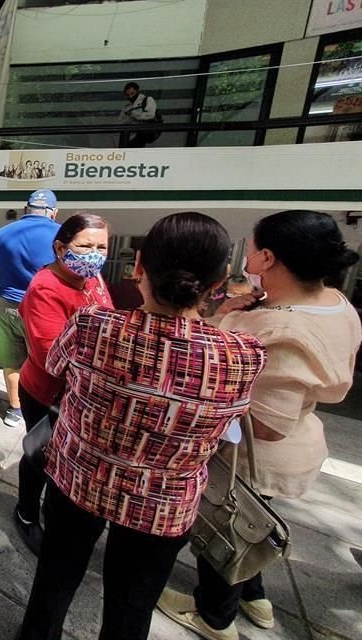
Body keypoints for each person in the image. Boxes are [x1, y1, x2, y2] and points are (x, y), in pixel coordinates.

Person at [18, 212, 267, 640]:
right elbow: (227, 422)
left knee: (53, 586)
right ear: (220, 279)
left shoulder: (93, 326)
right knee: (130, 609)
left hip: (79, 479)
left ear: (136, 267)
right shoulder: (242, 355)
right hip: (162, 505)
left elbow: (55, 365)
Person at [157, 210, 362, 640]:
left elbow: (269, 424)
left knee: (226, 533)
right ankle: (257, 598)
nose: (245, 255)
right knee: (253, 524)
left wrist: (204, 399)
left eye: (249, 248)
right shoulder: (334, 304)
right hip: (286, 453)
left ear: (267, 258)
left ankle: (216, 618)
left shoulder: (287, 330)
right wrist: (230, 309)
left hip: (251, 458)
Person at [13, 214, 114, 556]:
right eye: (85, 246)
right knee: (39, 455)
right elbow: (50, 355)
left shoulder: (93, 277)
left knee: (62, 460)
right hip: (47, 394)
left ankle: (49, 508)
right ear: (60, 247)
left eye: (101, 247)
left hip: (82, 394)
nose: (94, 254)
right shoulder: (46, 288)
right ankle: (26, 513)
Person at [0, 189, 61, 428]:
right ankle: (44, 407)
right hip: (46, 307)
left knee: (11, 361)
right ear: (53, 213)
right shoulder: (62, 234)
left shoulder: (3, 232)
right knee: (46, 361)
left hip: (8, 305)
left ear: (26, 209)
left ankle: (16, 409)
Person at [120, 81, 159, 148]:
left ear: (137, 91)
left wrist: (133, 114)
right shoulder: (127, 106)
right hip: (128, 136)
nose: (130, 96)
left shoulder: (147, 100)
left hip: (143, 134)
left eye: (132, 93)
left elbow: (150, 115)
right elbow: (121, 121)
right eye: (128, 95)